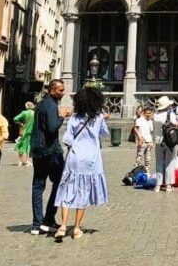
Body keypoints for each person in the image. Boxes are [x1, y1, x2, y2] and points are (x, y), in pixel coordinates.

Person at [53, 85, 109, 242]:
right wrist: (103, 118)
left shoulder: (74, 118)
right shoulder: (97, 118)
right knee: (83, 192)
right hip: (90, 159)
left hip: (74, 157)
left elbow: (67, 139)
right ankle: (77, 228)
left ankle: (63, 225)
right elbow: (104, 133)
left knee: (67, 190)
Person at [30, 78, 67, 234]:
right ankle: (48, 219)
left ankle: (36, 224)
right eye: (60, 90)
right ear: (52, 91)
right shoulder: (51, 105)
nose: (63, 93)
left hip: (38, 150)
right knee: (60, 183)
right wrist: (62, 116)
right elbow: (52, 128)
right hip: (50, 152)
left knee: (38, 187)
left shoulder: (41, 104)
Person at [152, 95, 178, 192]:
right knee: (170, 162)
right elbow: (177, 125)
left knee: (159, 162)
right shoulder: (170, 115)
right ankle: (168, 185)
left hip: (158, 142)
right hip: (169, 142)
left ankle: (158, 185)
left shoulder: (155, 115)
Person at [12, 101, 35, 167]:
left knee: (21, 145)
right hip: (32, 132)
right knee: (29, 146)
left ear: (27, 106)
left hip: (24, 131)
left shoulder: (24, 113)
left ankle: (20, 161)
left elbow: (15, 118)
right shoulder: (35, 113)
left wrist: (21, 124)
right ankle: (28, 161)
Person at [133, 106, 154, 173]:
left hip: (149, 142)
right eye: (147, 113)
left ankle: (147, 172)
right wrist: (139, 138)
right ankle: (135, 171)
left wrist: (151, 142)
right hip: (142, 141)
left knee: (148, 159)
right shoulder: (139, 120)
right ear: (144, 113)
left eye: (150, 113)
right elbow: (135, 129)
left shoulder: (150, 121)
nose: (148, 114)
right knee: (139, 157)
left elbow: (150, 132)